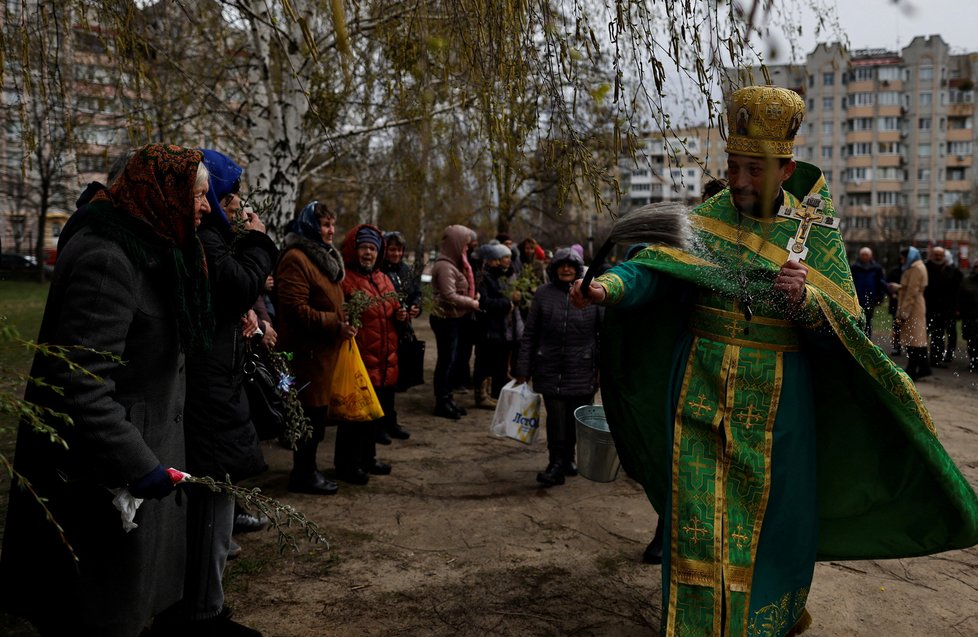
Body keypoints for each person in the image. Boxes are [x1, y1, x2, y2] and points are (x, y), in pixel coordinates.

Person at [571, 85, 978, 637]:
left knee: (768, 524)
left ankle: (759, 624)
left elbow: (848, 330)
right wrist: (608, 289)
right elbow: (653, 271)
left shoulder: (818, 237)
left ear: (786, 169)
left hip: (779, 404)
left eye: (754, 170)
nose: (739, 181)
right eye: (734, 167)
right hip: (698, 387)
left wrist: (805, 299)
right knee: (696, 521)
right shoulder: (704, 219)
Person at [0, 144, 213, 637]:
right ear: (163, 193)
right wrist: (140, 466)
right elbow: (80, 384)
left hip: (131, 464)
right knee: (93, 612)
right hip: (100, 479)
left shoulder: (153, 245)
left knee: (123, 611)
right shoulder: (108, 258)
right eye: (198, 195)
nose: (206, 207)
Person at [155, 149, 277, 637]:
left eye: (216, 197)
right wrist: (260, 242)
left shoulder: (208, 234)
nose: (219, 206)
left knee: (218, 492)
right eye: (214, 197)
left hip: (214, 383)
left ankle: (204, 603)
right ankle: (201, 612)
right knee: (210, 494)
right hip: (207, 388)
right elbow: (239, 285)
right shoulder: (205, 237)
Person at [275, 201, 355, 495]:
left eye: (333, 224)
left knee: (317, 417)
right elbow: (294, 309)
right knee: (307, 418)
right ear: (310, 225)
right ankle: (303, 474)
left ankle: (308, 470)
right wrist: (335, 323)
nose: (331, 230)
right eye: (324, 224)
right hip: (304, 354)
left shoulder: (323, 258)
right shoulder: (296, 258)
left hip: (322, 353)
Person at [514, 247, 601, 486]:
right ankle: (555, 464)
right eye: (562, 265)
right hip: (549, 368)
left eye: (571, 266)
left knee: (575, 419)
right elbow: (530, 334)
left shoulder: (591, 294)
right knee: (555, 419)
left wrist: (601, 370)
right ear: (554, 268)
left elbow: (602, 335)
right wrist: (522, 368)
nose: (565, 269)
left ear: (578, 270)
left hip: (582, 368)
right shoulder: (543, 294)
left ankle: (568, 459)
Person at [336, 224, 402, 485]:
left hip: (385, 358)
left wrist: (403, 314)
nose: (368, 253)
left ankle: (368, 458)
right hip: (359, 359)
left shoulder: (383, 279)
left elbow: (394, 308)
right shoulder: (345, 280)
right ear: (354, 250)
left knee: (375, 414)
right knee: (354, 417)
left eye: (373, 249)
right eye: (363, 247)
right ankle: (347, 464)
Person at [429, 224, 481, 419]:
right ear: (456, 244)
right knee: (445, 361)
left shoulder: (454, 264)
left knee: (450, 360)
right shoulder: (444, 266)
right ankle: (441, 401)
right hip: (446, 319)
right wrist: (472, 302)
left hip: (454, 318)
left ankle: (447, 397)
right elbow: (449, 295)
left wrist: (472, 296)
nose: (467, 248)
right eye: (465, 245)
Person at [379, 230, 419, 441]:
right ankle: (380, 425)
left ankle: (391, 421)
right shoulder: (379, 270)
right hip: (384, 330)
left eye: (399, 250)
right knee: (383, 380)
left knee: (395, 380)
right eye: (392, 249)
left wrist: (415, 307)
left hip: (403, 330)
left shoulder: (405, 270)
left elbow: (415, 293)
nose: (396, 254)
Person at [473, 242, 518, 409]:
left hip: (498, 326)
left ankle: (490, 393)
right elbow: (484, 301)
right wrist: (506, 304)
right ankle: (481, 395)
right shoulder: (484, 277)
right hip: (487, 326)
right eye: (500, 258)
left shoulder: (499, 276)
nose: (503, 262)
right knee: (483, 361)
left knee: (494, 361)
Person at [894, 246, 932, 381]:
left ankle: (914, 368)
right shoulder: (917, 266)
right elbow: (910, 287)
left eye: (903, 257)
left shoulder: (916, 268)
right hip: (915, 305)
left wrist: (903, 313)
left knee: (914, 338)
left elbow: (912, 293)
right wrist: (898, 287)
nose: (902, 260)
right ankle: (921, 368)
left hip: (913, 307)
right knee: (916, 338)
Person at [925, 246, 963, 367]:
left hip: (946, 308)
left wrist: (956, 307)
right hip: (929, 307)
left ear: (944, 256)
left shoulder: (952, 270)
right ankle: (924, 358)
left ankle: (938, 358)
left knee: (939, 335)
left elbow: (957, 289)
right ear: (932, 255)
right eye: (936, 254)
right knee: (925, 333)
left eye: (940, 255)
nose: (938, 257)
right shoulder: (926, 268)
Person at [851, 246, 889, 339]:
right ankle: (858, 338)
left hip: (871, 298)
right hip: (857, 298)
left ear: (870, 256)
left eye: (866, 255)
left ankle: (867, 338)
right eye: (863, 255)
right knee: (857, 319)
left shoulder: (876, 268)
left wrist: (880, 297)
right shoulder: (854, 268)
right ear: (860, 256)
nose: (864, 257)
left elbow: (881, 283)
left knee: (868, 320)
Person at [958, 260, 978, 372]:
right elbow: (961, 297)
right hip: (969, 315)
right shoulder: (966, 281)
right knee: (971, 340)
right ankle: (973, 360)